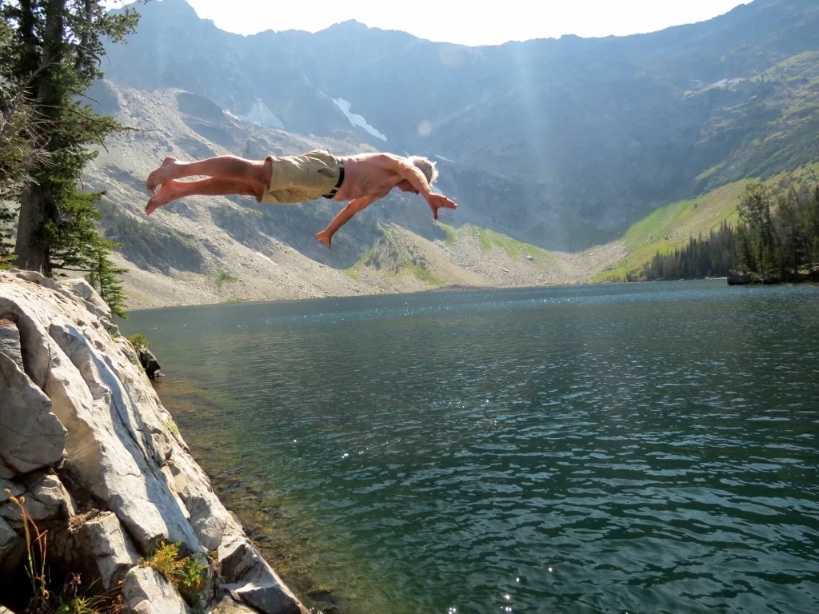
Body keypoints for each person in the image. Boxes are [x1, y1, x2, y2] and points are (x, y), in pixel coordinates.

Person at [145, 149, 458, 248]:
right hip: (324, 171)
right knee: (257, 173)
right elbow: (409, 170)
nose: (414, 192)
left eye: (419, 191)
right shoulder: (393, 163)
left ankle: (178, 190)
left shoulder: (382, 189)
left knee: (251, 188)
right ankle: (179, 168)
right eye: (417, 186)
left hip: (317, 191)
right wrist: (429, 194)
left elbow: (353, 207)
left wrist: (329, 232)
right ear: (415, 175)